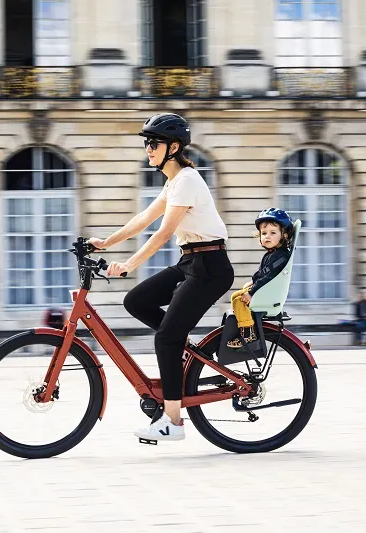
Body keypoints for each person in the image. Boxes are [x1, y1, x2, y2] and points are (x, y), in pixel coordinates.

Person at [88, 112, 234, 443]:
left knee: (165, 339)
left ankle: (173, 422)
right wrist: (105, 243)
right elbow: (144, 218)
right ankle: (182, 347)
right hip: (191, 261)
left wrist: (129, 264)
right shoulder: (174, 182)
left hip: (210, 267)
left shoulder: (187, 180)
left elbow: (164, 232)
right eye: (147, 143)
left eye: (154, 143)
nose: (148, 149)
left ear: (174, 147)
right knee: (136, 300)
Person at [227, 208, 294, 348]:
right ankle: (244, 322)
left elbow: (268, 277)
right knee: (235, 296)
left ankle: (248, 334)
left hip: (267, 293)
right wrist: (252, 282)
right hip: (264, 290)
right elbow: (261, 274)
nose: (267, 237)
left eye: (273, 233)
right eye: (264, 233)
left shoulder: (281, 256)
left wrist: (251, 292)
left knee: (239, 301)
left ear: (285, 235)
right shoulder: (272, 254)